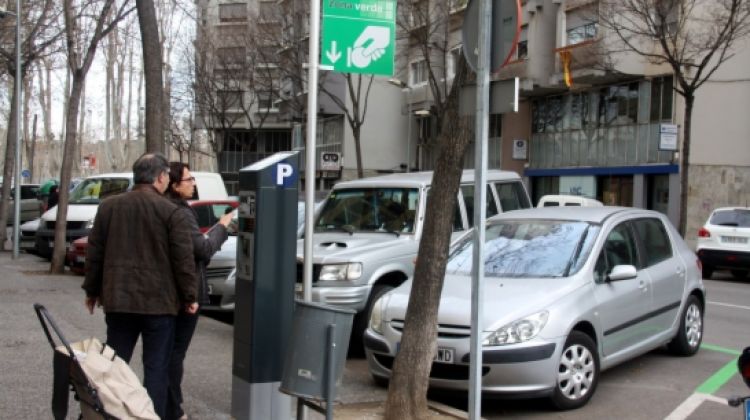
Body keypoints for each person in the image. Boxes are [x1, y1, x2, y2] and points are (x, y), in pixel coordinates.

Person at [82, 153, 198, 419]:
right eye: (167, 175)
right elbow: (183, 261)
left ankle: (112, 413)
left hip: (119, 301)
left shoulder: (109, 207)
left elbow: (95, 253)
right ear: (160, 177)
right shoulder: (171, 211)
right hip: (159, 305)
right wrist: (189, 296)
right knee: (156, 369)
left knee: (114, 366)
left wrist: (92, 290)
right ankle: (151, 415)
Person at [165, 162, 232, 420]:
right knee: (174, 354)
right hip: (184, 294)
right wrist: (222, 227)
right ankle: (173, 410)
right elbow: (201, 250)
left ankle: (167, 406)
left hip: (169, 292)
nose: (194, 182)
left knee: (166, 353)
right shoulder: (180, 212)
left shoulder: (167, 209)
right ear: (173, 184)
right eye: (189, 179)